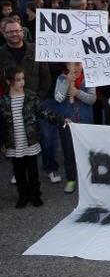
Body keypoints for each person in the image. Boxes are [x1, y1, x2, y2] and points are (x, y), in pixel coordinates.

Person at [0, 66, 64, 208]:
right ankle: (23, 195)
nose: (21, 82)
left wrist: (61, 120)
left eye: (22, 79)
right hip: (13, 142)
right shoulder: (3, 100)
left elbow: (44, 112)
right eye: (18, 80)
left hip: (30, 140)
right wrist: (2, 142)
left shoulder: (30, 96)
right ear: (8, 81)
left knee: (32, 169)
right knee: (19, 171)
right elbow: (1, 123)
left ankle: (35, 194)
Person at [54, 62, 96, 194]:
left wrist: (77, 92)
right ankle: (71, 179)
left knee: (86, 151)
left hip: (85, 121)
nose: (76, 68)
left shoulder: (89, 77)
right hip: (67, 121)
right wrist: (67, 83)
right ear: (67, 65)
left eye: (79, 64)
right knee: (68, 151)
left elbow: (92, 99)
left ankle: (87, 179)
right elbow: (58, 98)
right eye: (73, 65)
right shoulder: (61, 78)